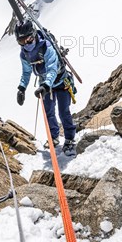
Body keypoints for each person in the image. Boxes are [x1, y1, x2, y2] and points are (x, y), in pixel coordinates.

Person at [15, 19, 76, 156]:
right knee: (49, 112)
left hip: (60, 82)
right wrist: (22, 88)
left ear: (33, 35)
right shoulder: (24, 53)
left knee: (63, 111)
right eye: (21, 41)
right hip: (45, 85)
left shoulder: (46, 46)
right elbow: (26, 72)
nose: (25, 44)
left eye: (28, 40)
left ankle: (70, 139)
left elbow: (52, 68)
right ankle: (53, 137)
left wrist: (46, 85)